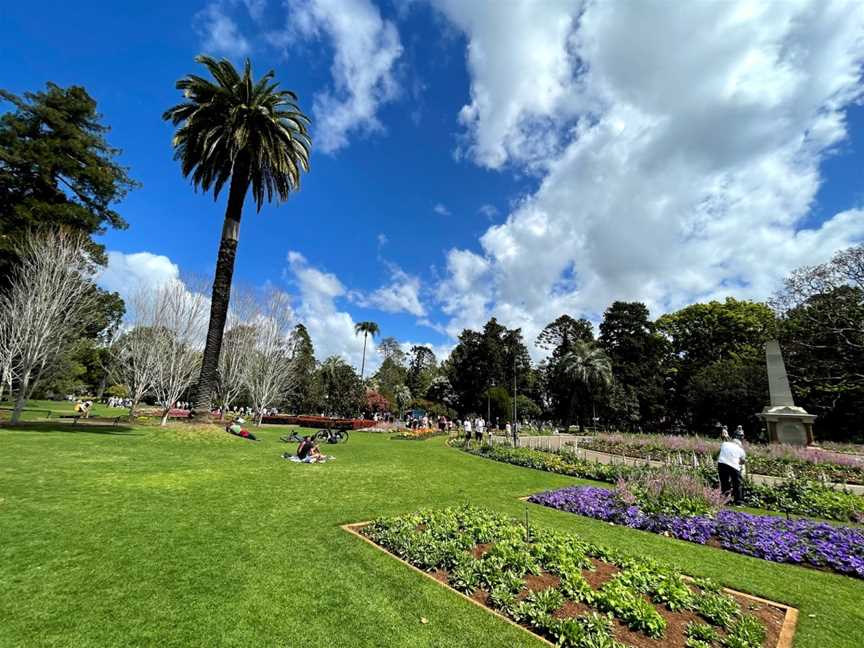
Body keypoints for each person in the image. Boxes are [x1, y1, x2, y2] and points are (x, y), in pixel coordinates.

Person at [717, 427, 746, 504]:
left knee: (724, 482)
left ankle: (725, 500)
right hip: (733, 465)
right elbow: (742, 461)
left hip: (721, 463)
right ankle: (739, 501)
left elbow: (720, 452)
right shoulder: (741, 450)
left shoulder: (724, 444)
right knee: (737, 483)